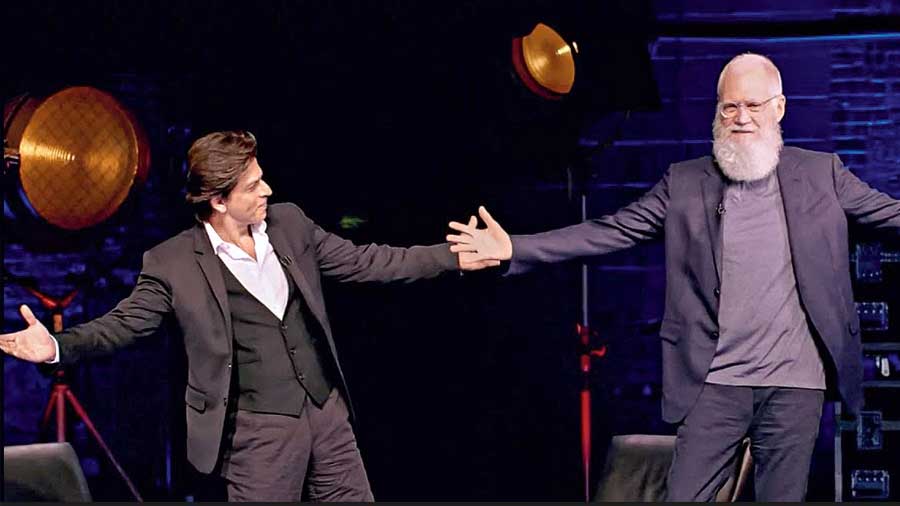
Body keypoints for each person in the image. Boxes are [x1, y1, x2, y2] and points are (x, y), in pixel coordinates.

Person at [446, 53, 900, 501]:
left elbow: (891, 214)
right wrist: (515, 248)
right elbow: (610, 231)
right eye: (730, 106)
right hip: (714, 384)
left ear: (779, 108)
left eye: (754, 106)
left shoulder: (822, 175)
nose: (741, 117)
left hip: (795, 387)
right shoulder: (684, 183)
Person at [0, 130, 495, 502]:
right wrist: (58, 346)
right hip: (258, 434)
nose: (268, 190)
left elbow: (370, 261)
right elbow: (125, 324)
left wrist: (453, 257)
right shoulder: (173, 262)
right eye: (254, 185)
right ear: (218, 200)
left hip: (327, 415)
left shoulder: (291, 224)